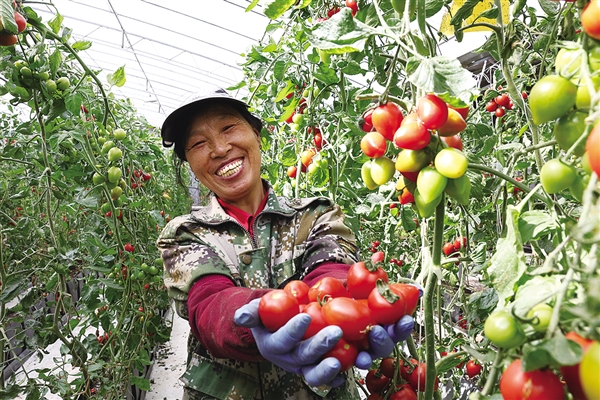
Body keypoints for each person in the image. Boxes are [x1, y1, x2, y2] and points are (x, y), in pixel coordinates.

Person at [157, 88, 415, 400]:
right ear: (189, 162)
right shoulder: (184, 232)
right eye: (199, 143)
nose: (220, 148)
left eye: (229, 128)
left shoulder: (316, 214)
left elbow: (333, 271)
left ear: (256, 134)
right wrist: (260, 320)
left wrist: (339, 309)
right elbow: (208, 303)